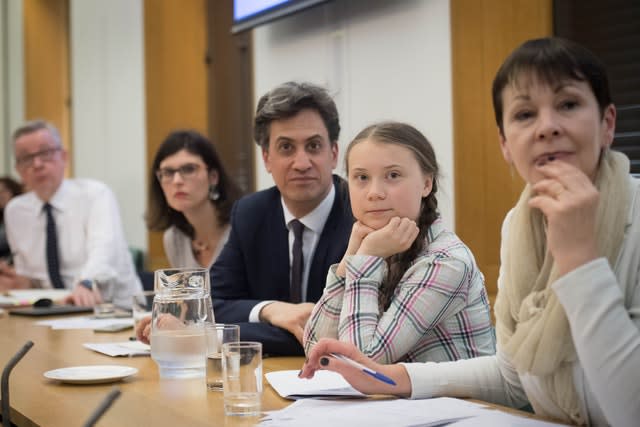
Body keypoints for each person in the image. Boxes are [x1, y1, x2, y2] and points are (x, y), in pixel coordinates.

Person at [300, 37, 640, 427]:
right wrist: (351, 265)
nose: (547, 127)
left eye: (568, 105)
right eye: (525, 114)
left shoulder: (446, 258)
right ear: (505, 144)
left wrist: (581, 260)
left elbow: (632, 409)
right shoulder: (519, 224)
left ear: (608, 123)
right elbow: (514, 380)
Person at [303, 122, 495, 364]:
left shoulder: (445, 261)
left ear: (427, 184)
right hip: (395, 401)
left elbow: (363, 362)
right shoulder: (382, 245)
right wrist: (348, 261)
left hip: (459, 402)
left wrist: (364, 259)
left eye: (393, 176)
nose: (374, 192)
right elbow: (315, 349)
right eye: (361, 177)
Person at [210, 81, 353, 356]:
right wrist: (271, 310)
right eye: (286, 148)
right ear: (266, 158)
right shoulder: (251, 213)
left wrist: (220, 336)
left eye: (313, 146)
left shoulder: (360, 214)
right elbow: (211, 305)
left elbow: (333, 331)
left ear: (333, 154)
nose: (301, 163)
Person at [0, 120, 142, 307]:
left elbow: (104, 252)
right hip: (54, 311)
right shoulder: (16, 211)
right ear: (18, 169)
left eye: (45, 153)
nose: (37, 164)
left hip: (114, 307)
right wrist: (19, 283)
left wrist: (86, 283)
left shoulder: (95, 195)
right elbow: (34, 279)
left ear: (64, 157)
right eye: (26, 158)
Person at [146, 130, 242, 269]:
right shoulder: (174, 238)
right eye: (167, 172)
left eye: (189, 169)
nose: (177, 181)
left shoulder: (241, 229)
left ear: (213, 177)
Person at [0, 176, 24, 260]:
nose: (1, 195)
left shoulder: (22, 214)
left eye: (3, 191)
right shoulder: (2, 214)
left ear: (13, 190)